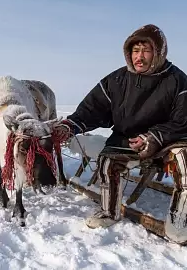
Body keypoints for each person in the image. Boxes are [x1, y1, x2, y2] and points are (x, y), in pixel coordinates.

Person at [55, 24, 187, 245]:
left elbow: (183, 120)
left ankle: (180, 221)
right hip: (128, 137)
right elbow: (93, 109)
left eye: (146, 50)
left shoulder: (177, 80)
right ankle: (109, 211)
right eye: (135, 51)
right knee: (108, 161)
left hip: (168, 139)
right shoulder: (117, 80)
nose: (139, 57)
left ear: (159, 52)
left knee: (185, 162)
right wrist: (71, 125)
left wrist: (154, 137)